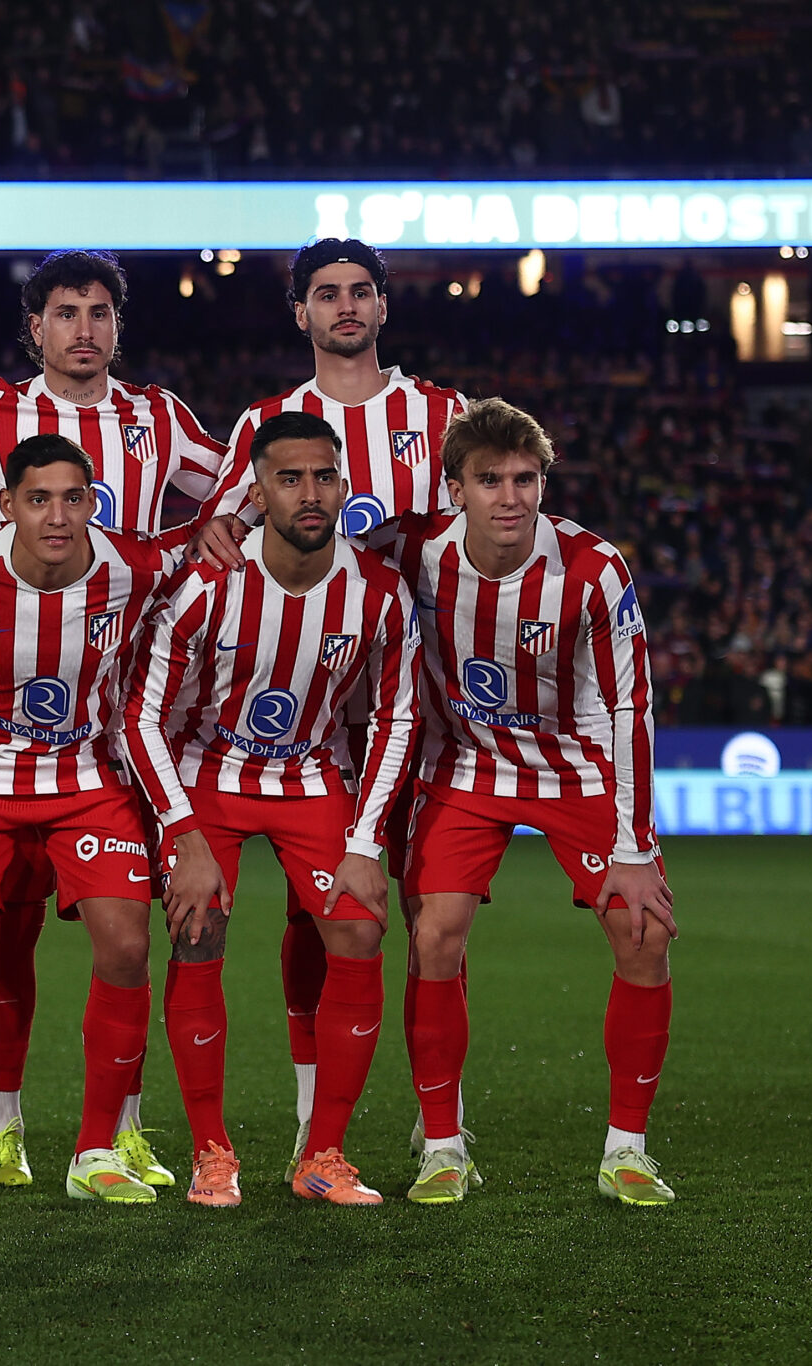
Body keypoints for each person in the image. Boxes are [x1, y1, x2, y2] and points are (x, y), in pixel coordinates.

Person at [0, 248, 227, 1190]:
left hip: (111, 729)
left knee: (126, 940)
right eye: (65, 312)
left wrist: (220, 528)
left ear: (119, 325)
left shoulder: (157, 419)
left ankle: (118, 1137)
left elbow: (235, 483)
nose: (84, 329)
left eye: (100, 312)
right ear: (35, 328)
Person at [199, 238, 468, 1180]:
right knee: (311, 917)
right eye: (326, 294)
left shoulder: (441, 413)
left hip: (416, 699)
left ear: (384, 308)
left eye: (361, 292)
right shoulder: (268, 422)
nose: (345, 306)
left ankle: (444, 1134)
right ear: (300, 313)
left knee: (430, 910)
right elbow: (225, 535)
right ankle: (322, 1124)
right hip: (304, 713)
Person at [372, 398, 678, 1207]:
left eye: (525, 478)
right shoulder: (410, 548)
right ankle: (442, 1145)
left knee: (642, 934)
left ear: (543, 482)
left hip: (572, 766)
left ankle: (628, 1151)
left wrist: (635, 847)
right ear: (454, 488)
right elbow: (312, 549)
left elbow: (629, 707)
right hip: (463, 765)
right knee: (433, 936)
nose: (510, 497)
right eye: (489, 480)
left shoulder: (591, 567)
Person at [122, 411, 420, 1208]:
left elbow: (397, 718)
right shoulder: (205, 587)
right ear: (258, 491)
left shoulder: (380, 594)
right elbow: (140, 717)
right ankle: (211, 1152)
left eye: (324, 476)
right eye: (290, 479)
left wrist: (365, 843)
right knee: (196, 930)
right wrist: (183, 836)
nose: (309, 493)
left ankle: (323, 1154)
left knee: (358, 927)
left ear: (344, 487)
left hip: (309, 776)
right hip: (207, 776)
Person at [0, 433, 191, 1208]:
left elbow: (209, 546)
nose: (58, 515)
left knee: (128, 945)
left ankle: (97, 1150)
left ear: (93, 504)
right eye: (38, 499)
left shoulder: (134, 566)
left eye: (74, 498)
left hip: (89, 778)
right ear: (7, 507)